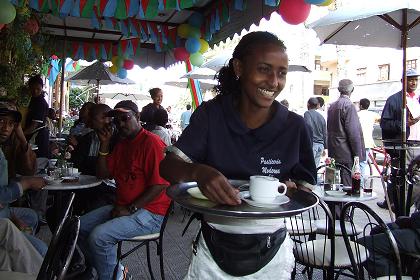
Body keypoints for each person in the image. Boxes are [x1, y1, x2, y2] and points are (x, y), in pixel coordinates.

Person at [160, 31, 316, 280]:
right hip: (213, 247)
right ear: (239, 67)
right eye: (264, 69)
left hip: (271, 252)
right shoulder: (212, 115)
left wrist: (294, 189)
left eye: (281, 73)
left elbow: (305, 190)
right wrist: (197, 172)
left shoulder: (295, 127)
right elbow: (167, 166)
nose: (274, 81)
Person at [78, 100, 171, 280]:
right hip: (125, 206)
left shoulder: (152, 143)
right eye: (117, 120)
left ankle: (112, 276)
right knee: (78, 228)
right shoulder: (122, 144)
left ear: (137, 117)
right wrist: (104, 145)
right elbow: (102, 173)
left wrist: (129, 209)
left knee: (99, 237)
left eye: (125, 118)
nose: (120, 124)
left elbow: (160, 185)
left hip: (151, 213)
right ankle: (115, 272)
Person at [0, 101, 48, 256]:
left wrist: (21, 137)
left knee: (31, 216)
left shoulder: (10, 144)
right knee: (41, 250)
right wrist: (26, 183)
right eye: (1, 121)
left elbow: (29, 169)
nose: (6, 127)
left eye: (11, 123)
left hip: (4, 208)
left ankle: (21, 253)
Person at [378, 69, 420, 209]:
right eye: (410, 79)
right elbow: (384, 123)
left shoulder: (418, 99)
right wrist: (403, 124)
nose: (414, 82)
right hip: (404, 146)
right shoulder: (394, 100)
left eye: (416, 79)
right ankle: (397, 207)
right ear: (403, 81)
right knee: (401, 180)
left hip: (418, 145)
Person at [327, 79, 365, 186]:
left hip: (333, 151)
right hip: (345, 153)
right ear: (352, 89)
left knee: (332, 185)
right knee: (347, 187)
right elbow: (353, 133)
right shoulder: (349, 106)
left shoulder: (332, 106)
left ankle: (333, 203)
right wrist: (357, 155)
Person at [358, 98, 381, 184]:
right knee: (363, 163)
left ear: (360, 105)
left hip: (358, 141)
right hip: (368, 142)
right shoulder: (373, 115)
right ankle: (361, 183)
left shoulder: (357, 115)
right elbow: (381, 120)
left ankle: (360, 184)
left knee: (358, 163)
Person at [304, 97, 327, 167]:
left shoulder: (307, 113)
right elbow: (325, 133)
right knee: (315, 168)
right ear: (317, 105)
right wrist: (325, 146)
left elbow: (308, 128)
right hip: (321, 145)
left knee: (308, 168)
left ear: (308, 104)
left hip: (312, 145)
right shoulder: (321, 117)